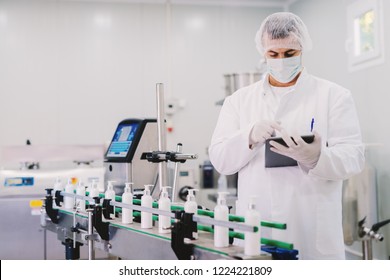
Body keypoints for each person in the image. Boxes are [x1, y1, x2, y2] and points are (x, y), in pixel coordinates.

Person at [208, 12, 365, 260]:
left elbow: (354, 157)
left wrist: (317, 157)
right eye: (273, 54)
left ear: (302, 49)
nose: (281, 60)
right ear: (263, 53)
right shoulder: (238, 101)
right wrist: (247, 137)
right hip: (259, 229)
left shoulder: (334, 96)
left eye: (289, 53)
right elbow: (220, 158)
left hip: (312, 229)